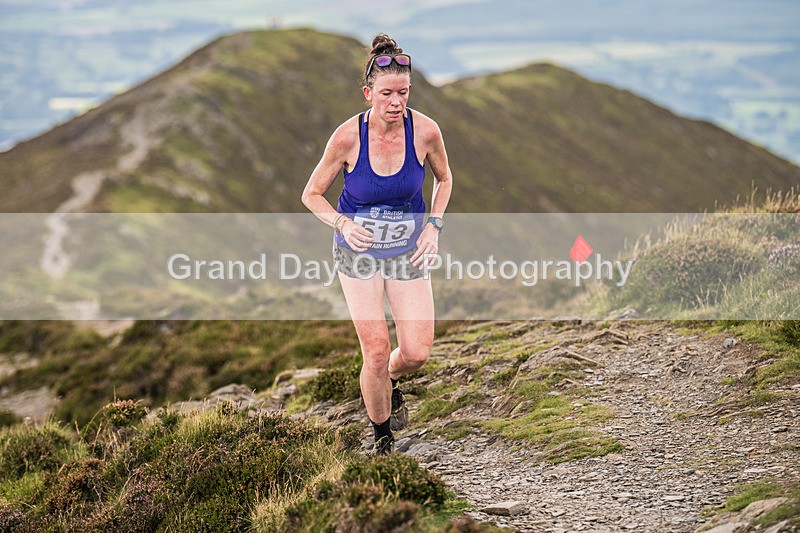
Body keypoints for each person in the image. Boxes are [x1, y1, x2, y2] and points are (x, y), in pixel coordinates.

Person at [301, 33, 453, 454]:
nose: (396, 102)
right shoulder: (347, 138)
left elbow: (444, 179)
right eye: (386, 93)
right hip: (358, 254)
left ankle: (391, 379)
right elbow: (311, 194)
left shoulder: (425, 131)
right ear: (368, 93)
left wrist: (433, 226)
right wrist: (342, 224)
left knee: (417, 352)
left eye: (403, 92)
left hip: (407, 251)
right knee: (376, 349)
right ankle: (383, 438)